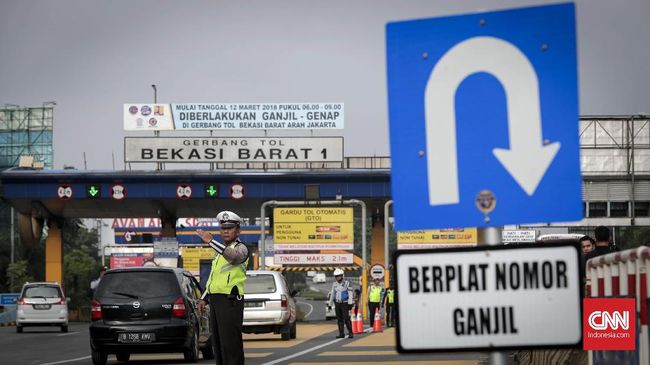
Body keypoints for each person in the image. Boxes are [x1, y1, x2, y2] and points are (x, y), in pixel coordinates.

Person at [197, 210, 249, 365]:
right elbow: (214, 279)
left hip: (230, 301)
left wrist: (211, 242)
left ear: (238, 230)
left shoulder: (242, 248)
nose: (226, 231)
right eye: (223, 228)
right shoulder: (219, 253)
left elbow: (234, 257)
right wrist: (203, 299)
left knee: (230, 344)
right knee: (218, 345)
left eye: (230, 228)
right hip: (216, 300)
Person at [328, 268, 354, 338]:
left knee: (346, 318)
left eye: (339, 276)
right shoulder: (334, 284)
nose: (337, 277)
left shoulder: (347, 283)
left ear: (342, 276)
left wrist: (350, 303)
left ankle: (351, 333)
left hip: (345, 303)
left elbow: (350, 293)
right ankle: (341, 334)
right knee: (339, 319)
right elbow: (332, 294)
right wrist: (330, 304)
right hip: (337, 303)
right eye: (336, 276)